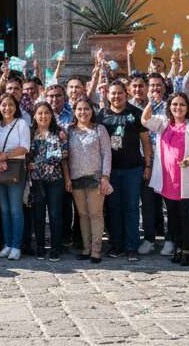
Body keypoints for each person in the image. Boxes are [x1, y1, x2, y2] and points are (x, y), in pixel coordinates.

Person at [142, 91, 189, 266]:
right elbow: (145, 119)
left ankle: (186, 250)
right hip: (167, 178)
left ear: (187, 108)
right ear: (169, 106)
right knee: (172, 216)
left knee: (185, 216)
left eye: (182, 104)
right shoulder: (163, 123)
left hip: (185, 178)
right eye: (175, 104)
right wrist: (150, 101)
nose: (178, 108)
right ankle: (177, 248)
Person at [96, 80, 149, 261]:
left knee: (132, 208)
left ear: (126, 94)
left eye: (120, 93)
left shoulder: (136, 113)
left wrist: (147, 165)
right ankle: (116, 244)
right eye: (113, 93)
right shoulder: (101, 115)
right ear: (108, 95)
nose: (116, 96)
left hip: (133, 169)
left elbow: (146, 142)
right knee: (113, 208)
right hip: (110, 171)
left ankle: (132, 246)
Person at [67, 98, 111, 262]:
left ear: (92, 111)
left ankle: (96, 250)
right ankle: (86, 248)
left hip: (95, 177)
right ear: (74, 111)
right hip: (76, 178)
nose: (83, 112)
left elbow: (107, 154)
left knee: (95, 214)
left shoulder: (99, 129)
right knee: (83, 215)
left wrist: (105, 176)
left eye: (86, 109)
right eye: (79, 109)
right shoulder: (69, 130)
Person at [28, 101, 70, 262]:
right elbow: (26, 155)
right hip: (36, 181)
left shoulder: (59, 133)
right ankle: (39, 246)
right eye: (40, 113)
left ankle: (55, 248)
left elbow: (60, 157)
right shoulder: (30, 133)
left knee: (55, 214)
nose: (43, 116)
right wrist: (28, 165)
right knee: (37, 215)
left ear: (51, 115)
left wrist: (67, 179)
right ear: (34, 116)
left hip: (55, 180)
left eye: (46, 113)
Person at [0, 93, 30, 261]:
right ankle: (6, 244)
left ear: (16, 107)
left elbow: (25, 147)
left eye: (11, 105)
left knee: (15, 210)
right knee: (4, 210)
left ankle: (16, 246)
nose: (7, 108)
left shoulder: (21, 123)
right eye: (4, 105)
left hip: (15, 168)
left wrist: (5, 156)